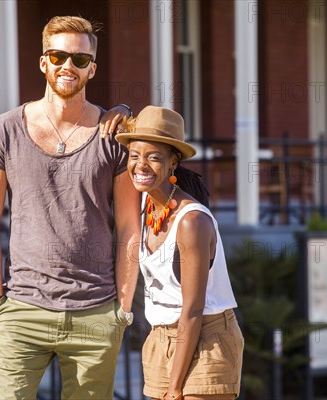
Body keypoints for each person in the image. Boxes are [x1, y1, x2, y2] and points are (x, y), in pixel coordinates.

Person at [0, 16, 140, 399]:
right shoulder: (3, 132)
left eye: (80, 60)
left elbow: (130, 226)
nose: (69, 65)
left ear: (92, 69)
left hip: (96, 313)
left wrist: (123, 309)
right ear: (43, 62)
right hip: (21, 310)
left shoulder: (114, 137)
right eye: (58, 56)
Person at [116, 106, 244, 400]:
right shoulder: (145, 210)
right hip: (160, 338)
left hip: (205, 339)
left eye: (154, 157)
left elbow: (193, 309)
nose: (141, 165)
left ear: (173, 163)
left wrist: (175, 387)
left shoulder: (192, 222)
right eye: (134, 155)